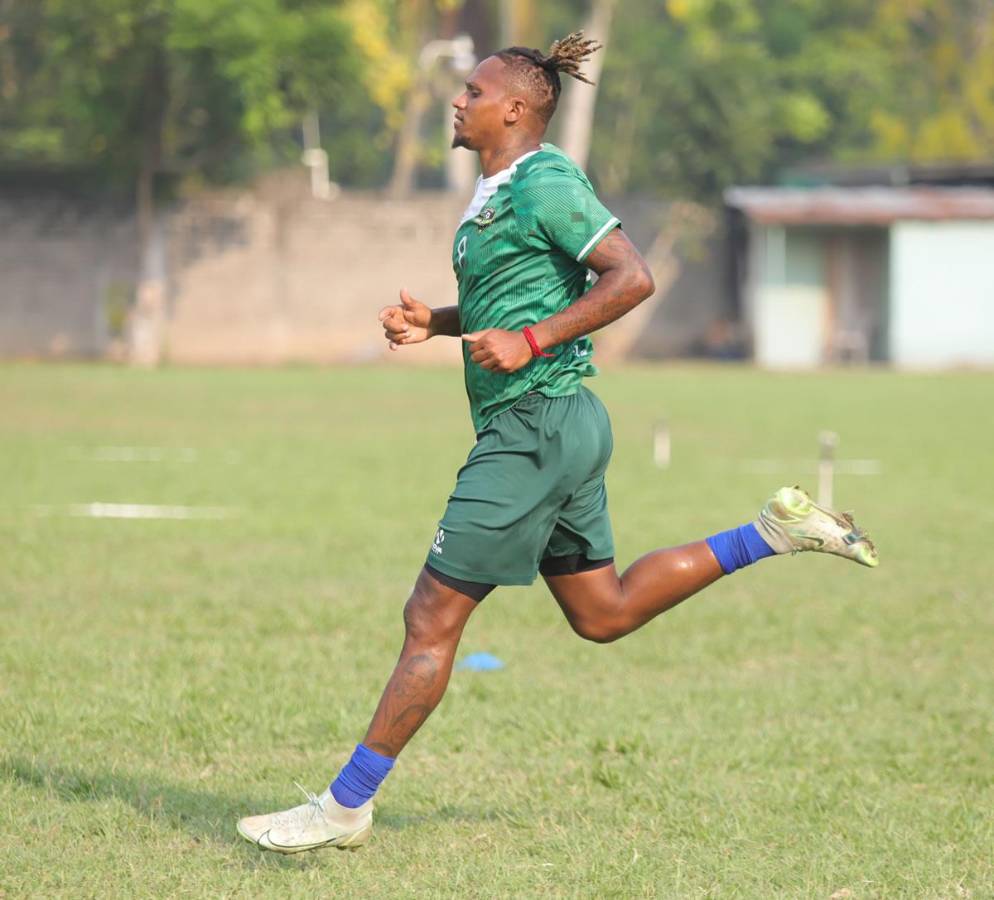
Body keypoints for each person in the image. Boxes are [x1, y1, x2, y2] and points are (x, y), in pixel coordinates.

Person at [237, 32, 878, 855]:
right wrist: (437, 320)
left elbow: (631, 275)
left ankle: (344, 808)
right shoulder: (496, 193)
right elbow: (517, 293)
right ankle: (771, 532)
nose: (458, 101)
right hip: (555, 424)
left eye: (472, 91)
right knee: (602, 614)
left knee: (430, 614)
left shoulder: (546, 180)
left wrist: (535, 340)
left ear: (514, 108)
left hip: (536, 422)